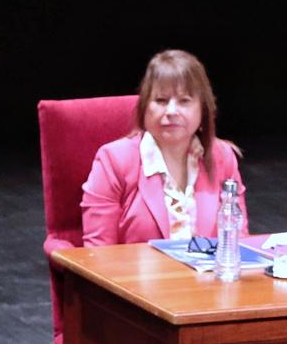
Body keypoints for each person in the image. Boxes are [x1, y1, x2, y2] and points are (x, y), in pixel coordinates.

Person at [80, 49, 247, 246]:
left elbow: (238, 242)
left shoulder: (223, 157)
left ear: (203, 109)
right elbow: (98, 254)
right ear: (144, 107)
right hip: (134, 277)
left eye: (184, 101)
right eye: (161, 101)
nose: (171, 111)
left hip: (209, 276)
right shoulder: (113, 160)